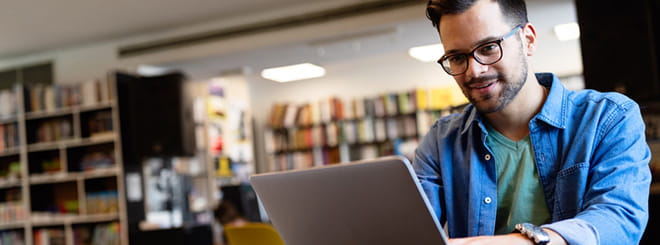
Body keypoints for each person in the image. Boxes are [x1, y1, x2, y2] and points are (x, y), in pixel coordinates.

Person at [413, 0, 651, 244]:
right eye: (457, 57)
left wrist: (526, 241)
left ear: (528, 39)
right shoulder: (441, 142)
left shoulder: (608, 117)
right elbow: (409, 229)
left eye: (488, 48)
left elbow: (618, 219)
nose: (474, 71)